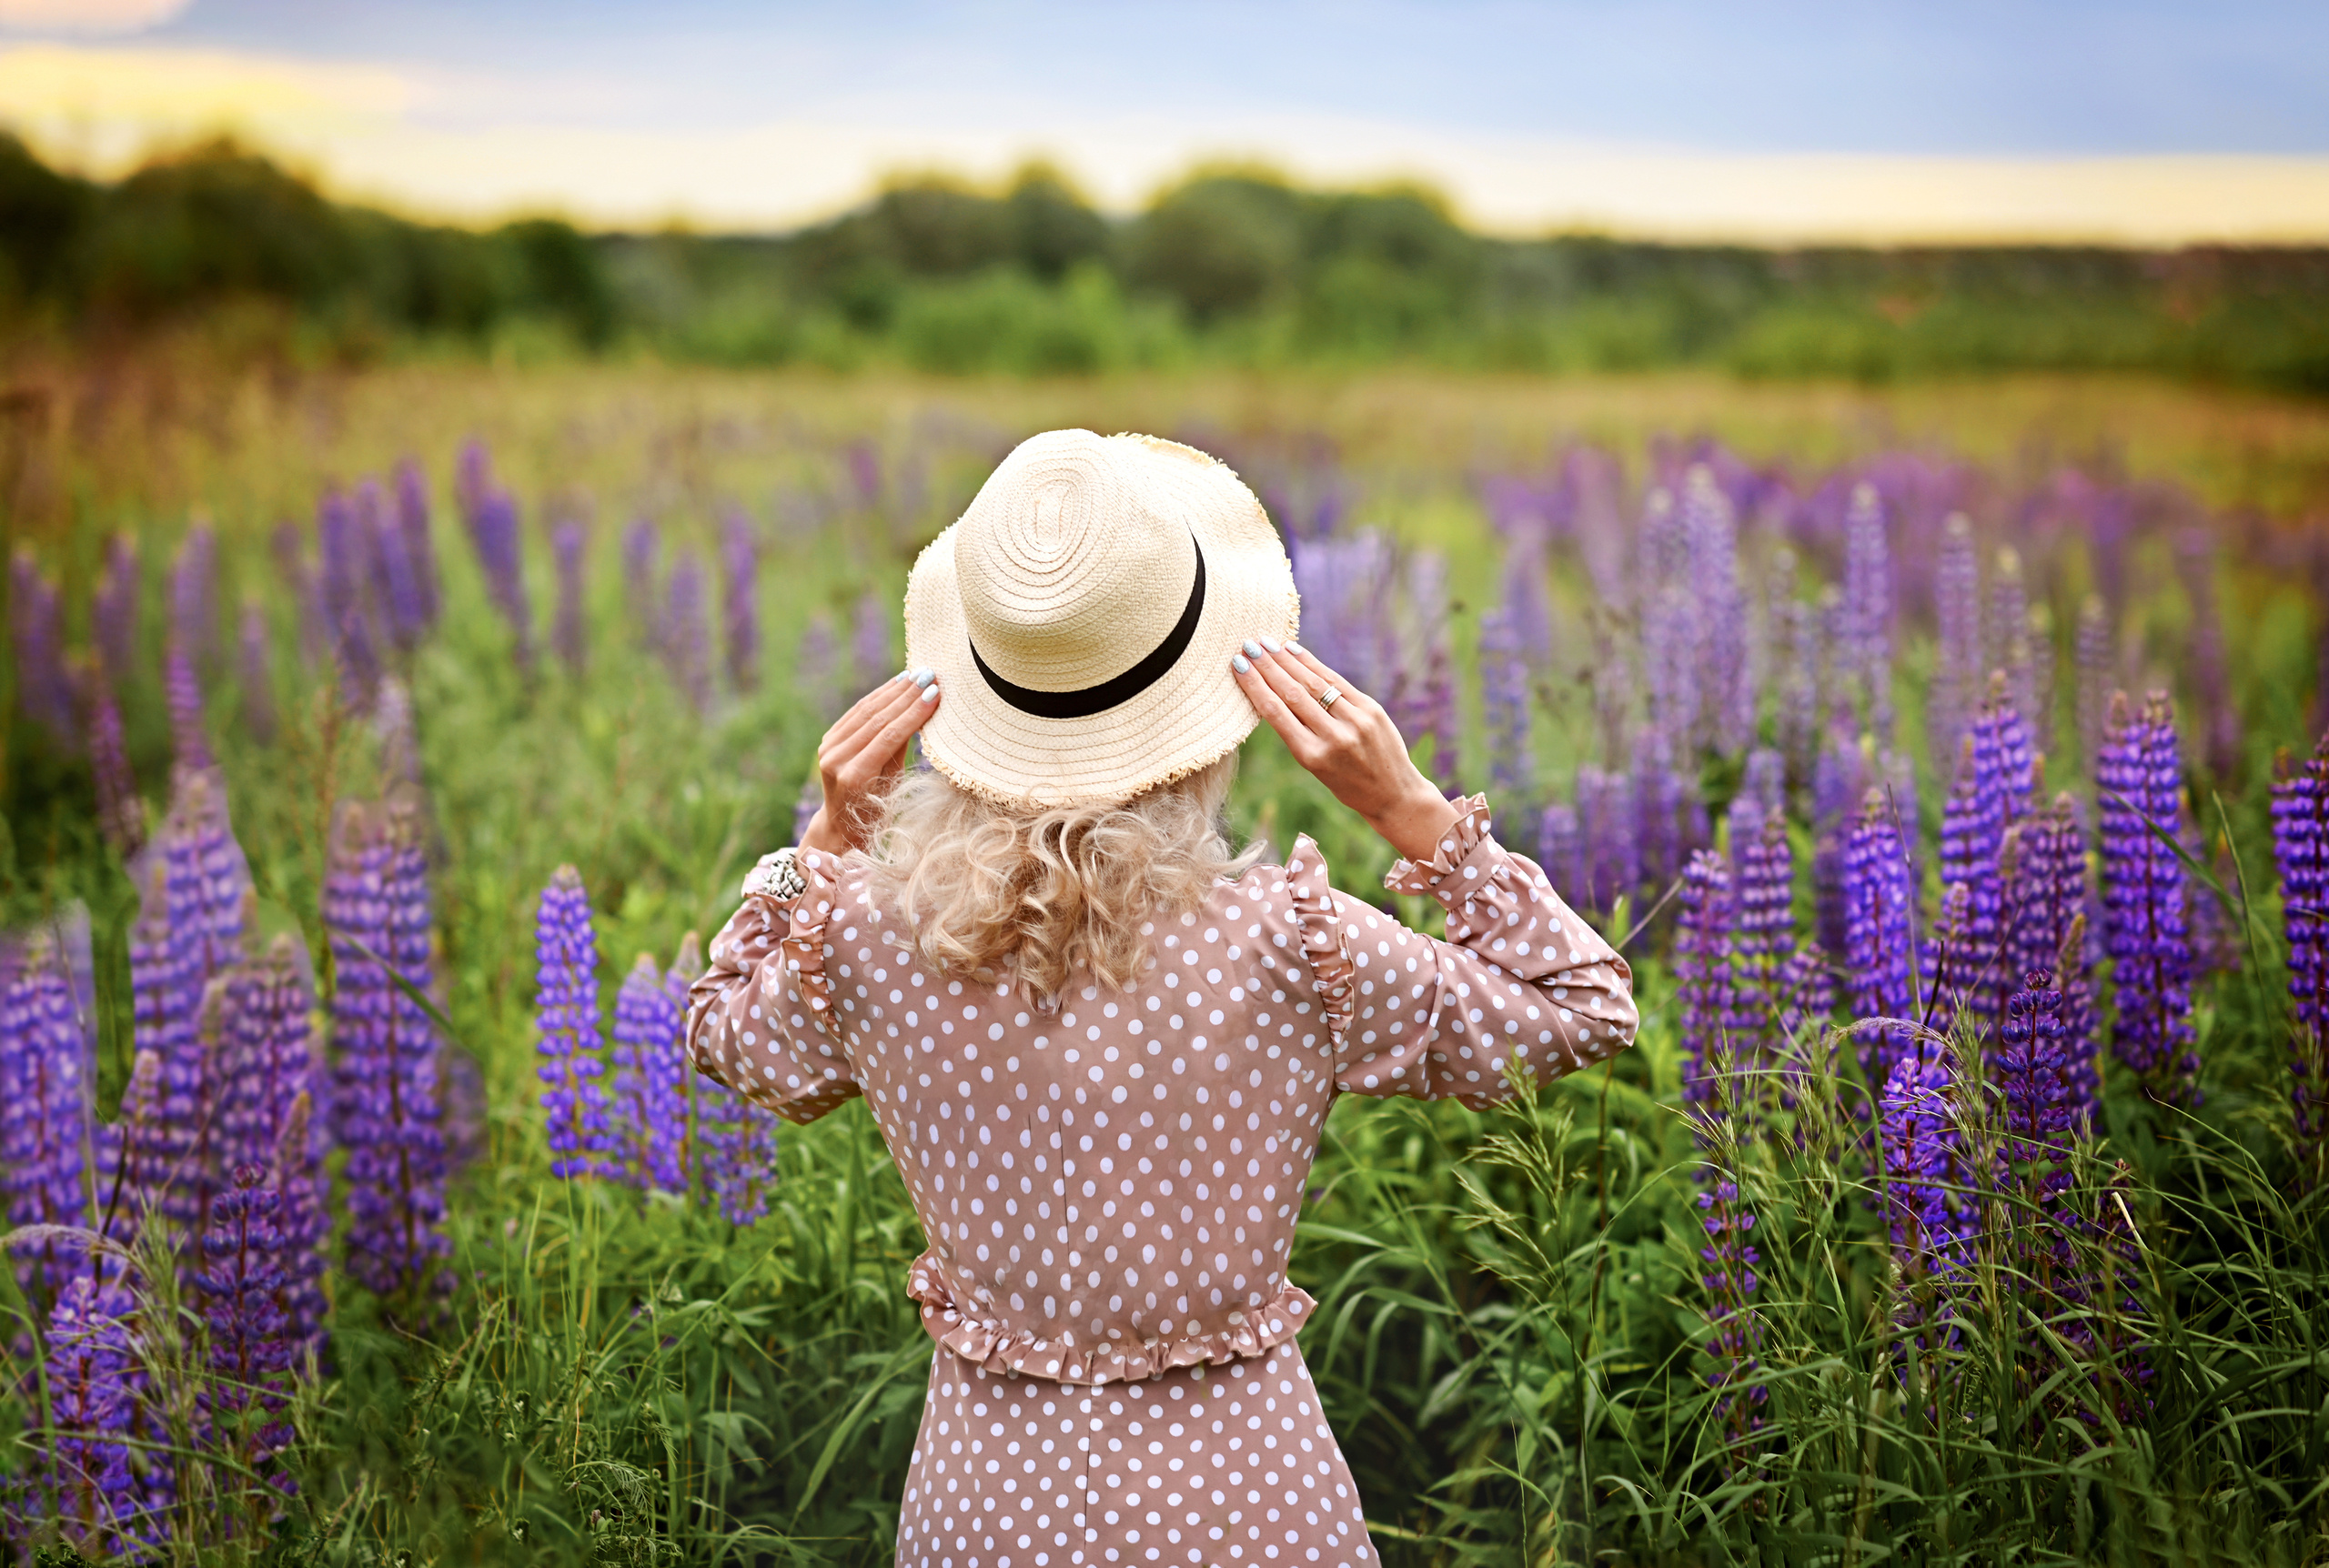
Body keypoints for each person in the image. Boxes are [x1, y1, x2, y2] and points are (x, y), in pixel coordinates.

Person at [688, 429, 1638, 1568]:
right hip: (1247, 1502)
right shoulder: (1292, 940)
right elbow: (1583, 1003)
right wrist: (1417, 815)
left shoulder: (869, 937)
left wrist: (823, 839)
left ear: (971, 699)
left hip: (987, 1510)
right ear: (1208, 701)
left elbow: (720, 1029)